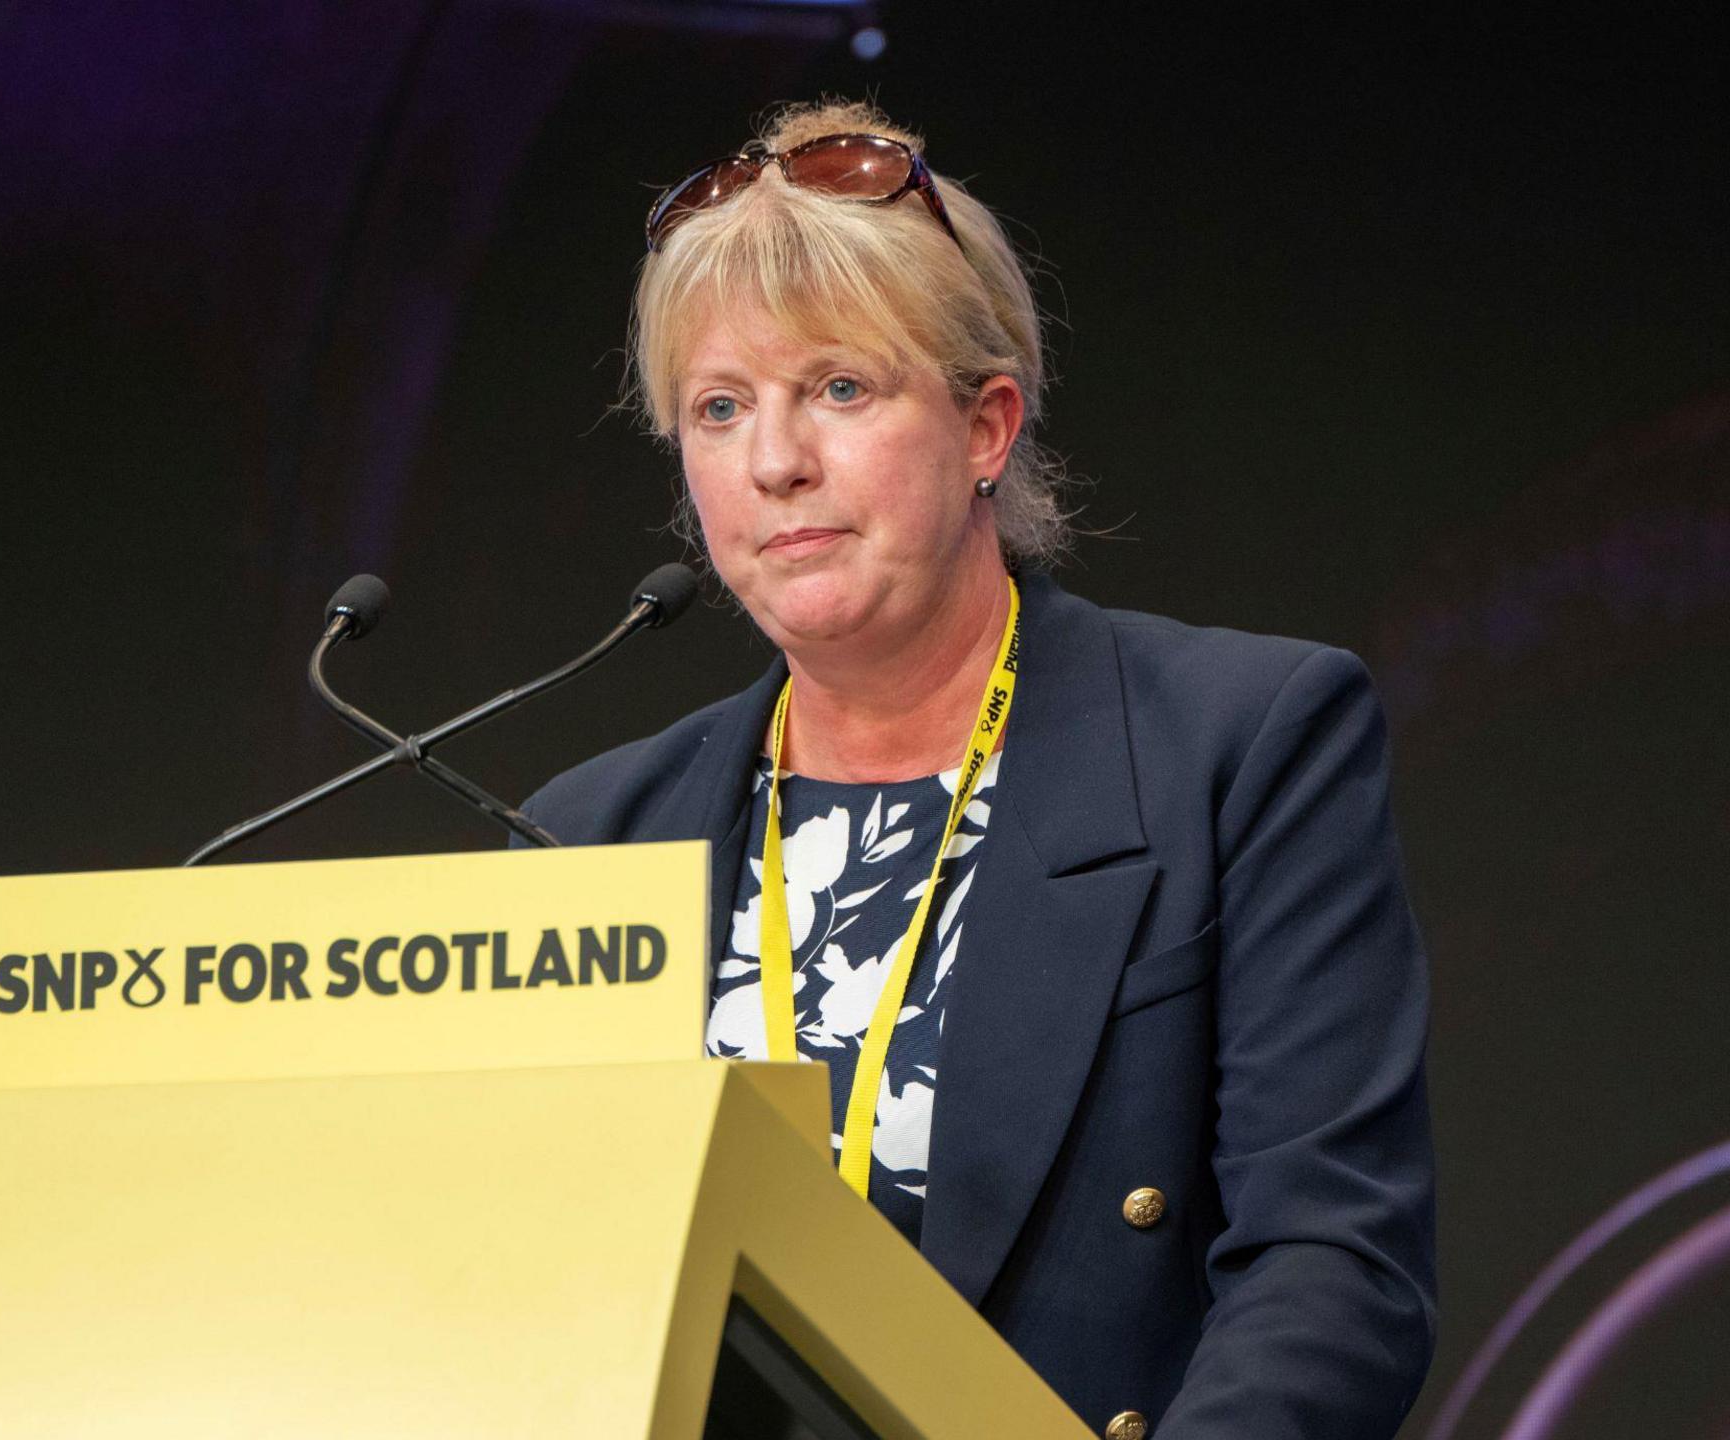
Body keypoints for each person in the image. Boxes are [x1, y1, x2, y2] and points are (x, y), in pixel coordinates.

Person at [522, 98, 1435, 1439]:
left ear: (987, 428)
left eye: (840, 388)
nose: (775, 461)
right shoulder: (589, 839)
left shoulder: (1243, 743)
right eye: (721, 409)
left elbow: (1332, 1272)